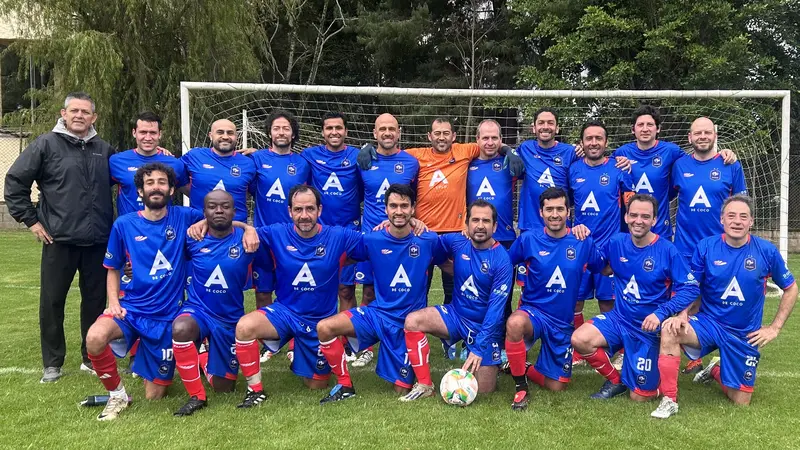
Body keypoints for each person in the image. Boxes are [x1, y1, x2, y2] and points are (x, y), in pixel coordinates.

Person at [651, 195, 797, 419]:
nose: (737, 221)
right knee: (669, 329)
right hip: (709, 324)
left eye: (743, 217)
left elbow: (791, 288)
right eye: (731, 216)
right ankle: (669, 399)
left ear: (751, 221)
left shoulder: (766, 251)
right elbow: (692, 287)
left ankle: (715, 370)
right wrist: (682, 314)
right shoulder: (706, 247)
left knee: (741, 401)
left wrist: (774, 328)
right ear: (722, 220)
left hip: (743, 333)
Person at [5, 91, 115, 382]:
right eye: (74, 110)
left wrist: (159, 156)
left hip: (98, 240)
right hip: (58, 240)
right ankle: (52, 363)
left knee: (95, 302)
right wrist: (31, 221)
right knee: (52, 302)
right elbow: (15, 182)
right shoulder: (45, 144)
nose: (79, 116)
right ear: (63, 114)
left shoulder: (104, 149)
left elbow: (130, 175)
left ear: (94, 117)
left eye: (85, 112)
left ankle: (91, 357)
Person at [86, 163, 205, 420]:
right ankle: (117, 395)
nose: (156, 187)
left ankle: (153, 360)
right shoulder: (124, 224)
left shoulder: (185, 216)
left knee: (154, 395)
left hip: (166, 318)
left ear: (171, 189)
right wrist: (113, 302)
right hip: (131, 309)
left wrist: (247, 228)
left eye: (162, 182)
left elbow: (220, 217)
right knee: (94, 337)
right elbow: (113, 268)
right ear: (140, 190)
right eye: (150, 183)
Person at [232, 185, 363, 408]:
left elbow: (378, 242)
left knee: (316, 385)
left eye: (310, 209)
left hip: (319, 322)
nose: (304, 215)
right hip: (285, 313)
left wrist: (407, 223)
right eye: (298, 209)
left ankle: (302, 358)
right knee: (245, 327)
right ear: (290, 211)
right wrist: (246, 227)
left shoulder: (338, 236)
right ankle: (255, 391)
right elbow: (225, 226)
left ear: (319, 210)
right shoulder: (276, 233)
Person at [315, 184, 446, 404]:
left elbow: (448, 263)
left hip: (407, 324)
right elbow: (344, 258)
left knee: (401, 389)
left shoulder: (428, 240)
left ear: (413, 208)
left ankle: (407, 365)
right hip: (377, 315)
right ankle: (345, 385)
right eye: (393, 206)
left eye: (404, 206)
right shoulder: (372, 239)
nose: (399, 211)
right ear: (386, 209)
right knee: (325, 328)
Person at [571, 194, 700, 402]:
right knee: (579, 339)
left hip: (648, 329)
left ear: (654, 220)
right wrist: (586, 238)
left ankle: (653, 379)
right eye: (633, 215)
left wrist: (661, 313)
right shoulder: (617, 242)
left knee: (640, 397)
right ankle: (616, 380)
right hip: (619, 320)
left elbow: (691, 288)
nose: (638, 221)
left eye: (645, 216)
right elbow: (601, 267)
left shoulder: (667, 250)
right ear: (626, 217)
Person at [504, 187, 606, 411]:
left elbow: (604, 267)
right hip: (533, 313)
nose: (554, 214)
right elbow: (503, 263)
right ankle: (521, 386)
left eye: (560, 209)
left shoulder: (581, 241)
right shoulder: (528, 239)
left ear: (568, 212)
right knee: (515, 323)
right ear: (541, 212)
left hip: (562, 323)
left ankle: (523, 367)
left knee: (556, 386)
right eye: (549, 209)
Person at [401, 200, 513, 401]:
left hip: (483, 326)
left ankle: (492, 360)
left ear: (495, 226)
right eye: (475, 220)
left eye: (486, 221)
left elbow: (495, 312)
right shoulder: (457, 241)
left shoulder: (502, 260)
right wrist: (414, 222)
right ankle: (425, 384)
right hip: (456, 315)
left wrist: (478, 348)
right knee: (413, 321)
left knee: (483, 389)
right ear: (467, 224)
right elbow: (431, 243)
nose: (480, 225)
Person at [671, 117, 748, 375]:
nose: (702, 136)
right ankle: (691, 356)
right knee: (684, 300)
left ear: (715, 135)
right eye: (697, 133)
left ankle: (718, 351)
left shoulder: (730, 164)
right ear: (690, 137)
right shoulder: (680, 165)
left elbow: (742, 204)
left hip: (719, 249)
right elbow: (664, 193)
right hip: (684, 247)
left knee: (716, 300)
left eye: (707, 132)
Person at [171, 190, 256, 416]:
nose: (219, 211)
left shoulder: (248, 239)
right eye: (212, 207)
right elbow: (165, 258)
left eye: (225, 207)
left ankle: (202, 357)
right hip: (198, 310)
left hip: (229, 318)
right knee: (181, 328)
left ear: (234, 211)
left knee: (224, 388)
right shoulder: (192, 238)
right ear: (204, 211)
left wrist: (248, 227)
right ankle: (196, 396)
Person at [353, 113, 420, 368]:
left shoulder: (411, 162)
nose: (387, 133)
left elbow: (415, 198)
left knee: (403, 291)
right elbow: (358, 194)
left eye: (392, 128)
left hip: (402, 239)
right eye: (382, 129)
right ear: (374, 133)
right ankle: (367, 346)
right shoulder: (364, 160)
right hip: (372, 238)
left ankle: (406, 338)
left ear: (399, 132)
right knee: (368, 291)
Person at [612, 105, 737, 239]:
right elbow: (603, 168)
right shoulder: (621, 153)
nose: (645, 129)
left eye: (650, 124)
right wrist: (596, 156)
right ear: (633, 129)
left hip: (660, 230)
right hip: (630, 229)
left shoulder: (671, 151)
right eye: (640, 125)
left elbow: (699, 161)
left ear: (658, 128)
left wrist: (722, 154)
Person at [568, 120, 634, 364]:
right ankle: (578, 349)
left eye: (598, 138)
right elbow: (565, 204)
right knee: (575, 300)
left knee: (608, 302)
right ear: (582, 142)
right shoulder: (573, 169)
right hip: (581, 246)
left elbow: (630, 205)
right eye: (589, 138)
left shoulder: (619, 168)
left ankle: (619, 350)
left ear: (606, 142)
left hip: (609, 248)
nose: (593, 143)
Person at [248, 110, 310, 354]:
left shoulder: (303, 163)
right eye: (276, 128)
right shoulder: (255, 160)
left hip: (293, 239)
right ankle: (268, 343)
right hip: (263, 238)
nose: (281, 132)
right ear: (269, 133)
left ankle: (295, 341)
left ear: (293, 133)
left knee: (294, 290)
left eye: (286, 128)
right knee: (263, 292)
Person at [300, 112, 363, 313]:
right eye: (329, 128)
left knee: (346, 290)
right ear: (323, 132)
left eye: (338, 128)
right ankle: (316, 328)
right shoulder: (309, 155)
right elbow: (283, 160)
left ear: (346, 131)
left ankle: (345, 331)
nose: (334, 132)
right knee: (315, 287)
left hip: (348, 232)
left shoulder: (358, 156)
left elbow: (366, 187)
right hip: (319, 233)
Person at [109, 111, 189, 216]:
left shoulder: (175, 164)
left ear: (160, 134)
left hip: (162, 224)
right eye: (143, 132)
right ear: (134, 133)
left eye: (153, 133)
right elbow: (98, 189)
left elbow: (194, 193)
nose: (148, 138)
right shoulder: (117, 161)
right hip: (130, 225)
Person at [182, 119, 257, 223]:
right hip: (198, 227)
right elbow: (174, 177)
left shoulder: (249, 163)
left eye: (230, 133)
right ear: (210, 135)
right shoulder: (194, 155)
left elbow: (258, 192)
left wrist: (260, 154)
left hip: (236, 228)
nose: (225, 137)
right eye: (220, 132)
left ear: (236, 137)